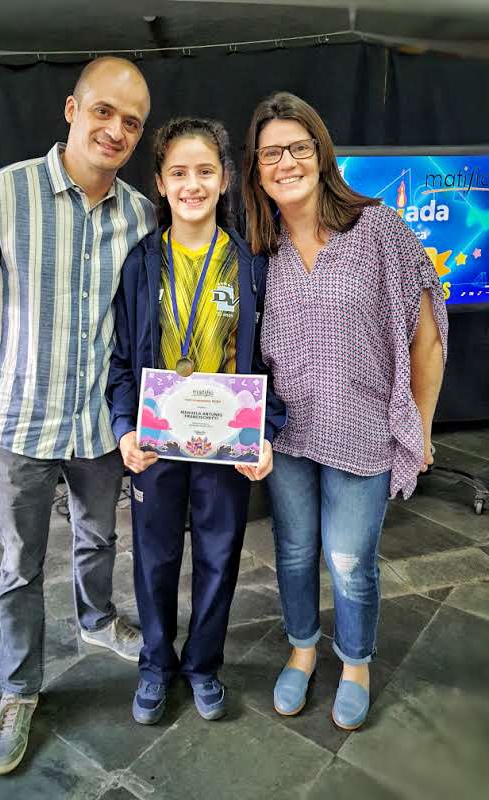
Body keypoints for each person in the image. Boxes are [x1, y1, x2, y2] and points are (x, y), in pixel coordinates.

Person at [0, 57, 156, 775]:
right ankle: (18, 688)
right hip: (20, 420)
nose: (115, 130)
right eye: (103, 111)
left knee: (99, 536)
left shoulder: (140, 215)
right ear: (71, 109)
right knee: (19, 564)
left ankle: (98, 620)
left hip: (98, 424)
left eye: (131, 122)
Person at [242, 92, 448, 730]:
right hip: (285, 437)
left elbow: (426, 338)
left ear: (321, 152)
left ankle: (355, 662)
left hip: (362, 434)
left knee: (351, 561)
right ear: (256, 168)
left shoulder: (378, 229)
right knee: (294, 551)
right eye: (270, 153)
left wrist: (421, 427)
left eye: (298, 148)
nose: (285, 162)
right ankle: (302, 650)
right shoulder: (257, 247)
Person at [107, 117, 286, 725]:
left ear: (225, 179)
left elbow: (271, 360)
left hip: (226, 443)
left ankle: (204, 664)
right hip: (156, 442)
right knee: (154, 558)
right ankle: (156, 664)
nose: (193, 185)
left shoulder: (251, 265)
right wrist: (124, 427)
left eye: (205, 171)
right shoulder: (141, 263)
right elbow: (122, 360)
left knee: (220, 556)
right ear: (160, 183)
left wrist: (265, 431)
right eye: (179, 173)